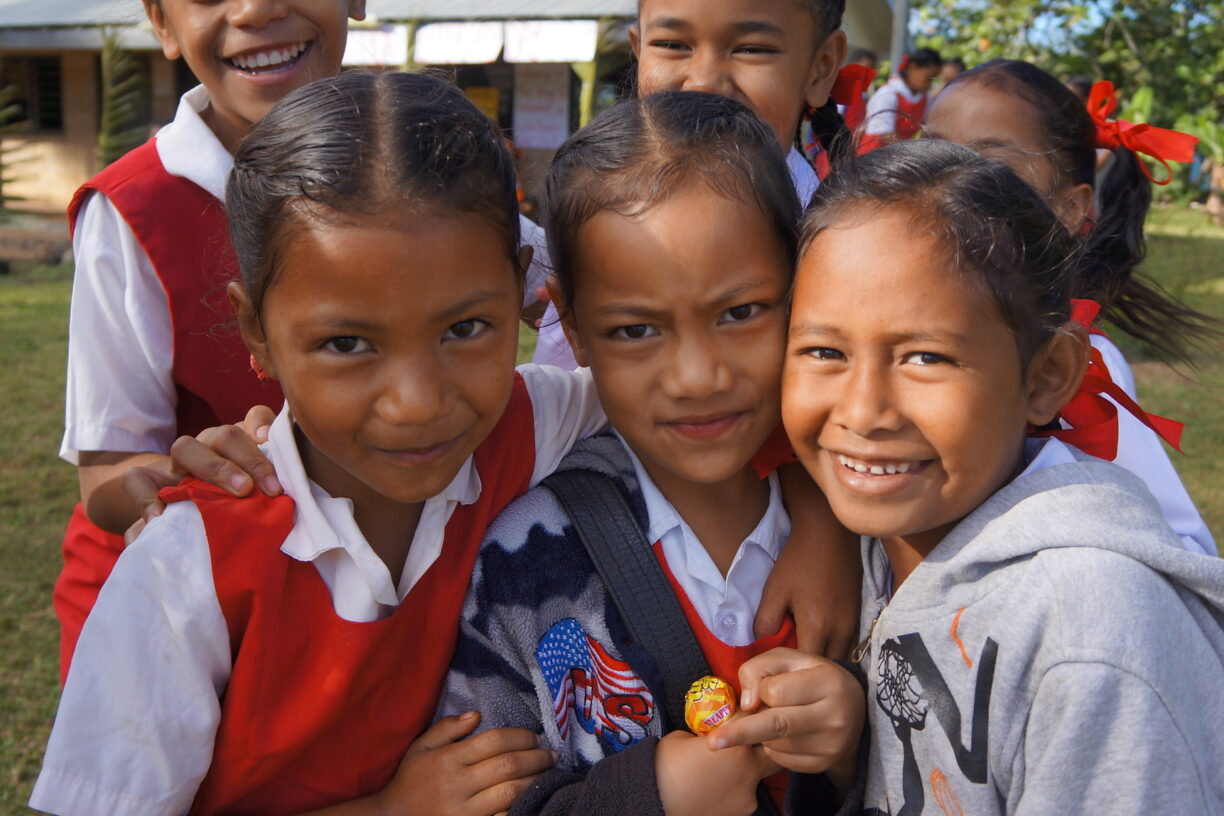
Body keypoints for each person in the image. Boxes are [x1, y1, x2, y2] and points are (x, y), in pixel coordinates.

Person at [32, 72, 614, 816]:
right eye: (347, 343)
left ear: (522, 290)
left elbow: (699, 411)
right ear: (257, 335)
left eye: (465, 329)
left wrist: (807, 527)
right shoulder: (189, 570)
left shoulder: (529, 425)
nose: (417, 404)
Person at [54, 0, 553, 682]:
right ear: (161, 23)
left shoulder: (418, 166)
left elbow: (580, 309)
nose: (256, 7)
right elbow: (104, 473)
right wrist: (198, 475)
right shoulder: (132, 209)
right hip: (183, 616)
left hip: (364, 588)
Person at [722, 138, 1224, 813]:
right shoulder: (871, 547)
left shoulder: (1088, 631)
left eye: (926, 358)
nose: (864, 412)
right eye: (823, 350)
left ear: (1048, 375)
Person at [439, 91, 864, 816]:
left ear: (801, 290)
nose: (697, 377)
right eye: (636, 330)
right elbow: (486, 795)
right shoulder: (520, 564)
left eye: (740, 313)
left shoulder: (870, 516)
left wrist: (854, 738)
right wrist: (646, 796)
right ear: (570, 325)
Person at [924, 58, 1218, 554]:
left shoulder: (1082, 363)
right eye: (931, 153)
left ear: (1071, 207)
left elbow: (1183, 548)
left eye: (991, 166)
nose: (946, 186)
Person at [532, 0, 850, 370]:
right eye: (672, 45)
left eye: (752, 49)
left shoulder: (844, 242)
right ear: (638, 50)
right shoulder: (599, 209)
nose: (702, 81)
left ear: (821, 66)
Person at [862, 47, 942, 145]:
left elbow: (929, 127)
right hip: (873, 156)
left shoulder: (925, 98)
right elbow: (884, 135)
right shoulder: (887, 94)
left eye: (933, 80)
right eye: (928, 78)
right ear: (912, 67)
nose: (930, 85)